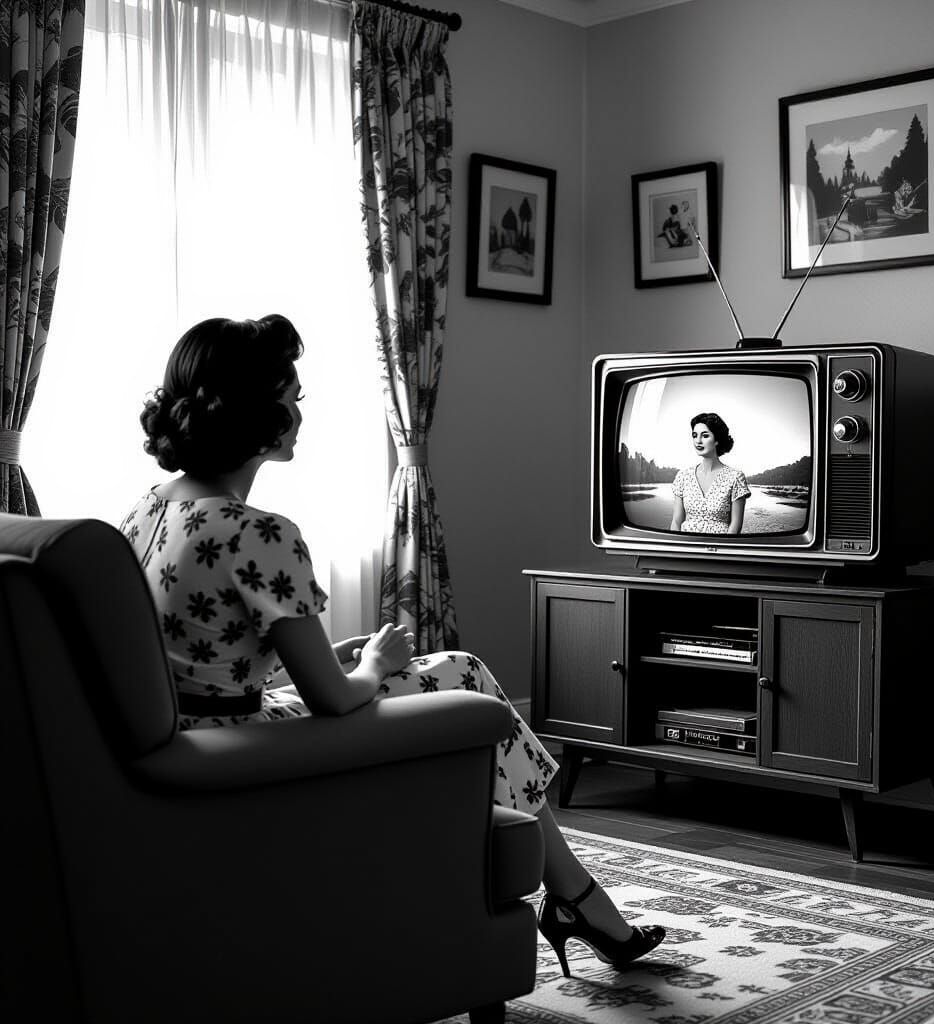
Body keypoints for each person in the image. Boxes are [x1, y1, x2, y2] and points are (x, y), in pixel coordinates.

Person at [120, 314, 664, 978]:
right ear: (257, 413)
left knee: (456, 673)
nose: (299, 412)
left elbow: (208, 652)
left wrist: (340, 655)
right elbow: (333, 700)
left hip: (190, 735)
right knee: (466, 679)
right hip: (245, 752)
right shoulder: (259, 532)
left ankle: (573, 895)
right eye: (292, 396)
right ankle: (576, 898)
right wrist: (374, 665)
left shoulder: (147, 510)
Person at [669, 412, 750, 534]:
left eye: (705, 436)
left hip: (720, 545)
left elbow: (736, 526)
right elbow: (676, 522)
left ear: (717, 440)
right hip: (686, 544)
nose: (698, 441)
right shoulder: (683, 476)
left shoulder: (735, 477)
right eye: (695, 436)